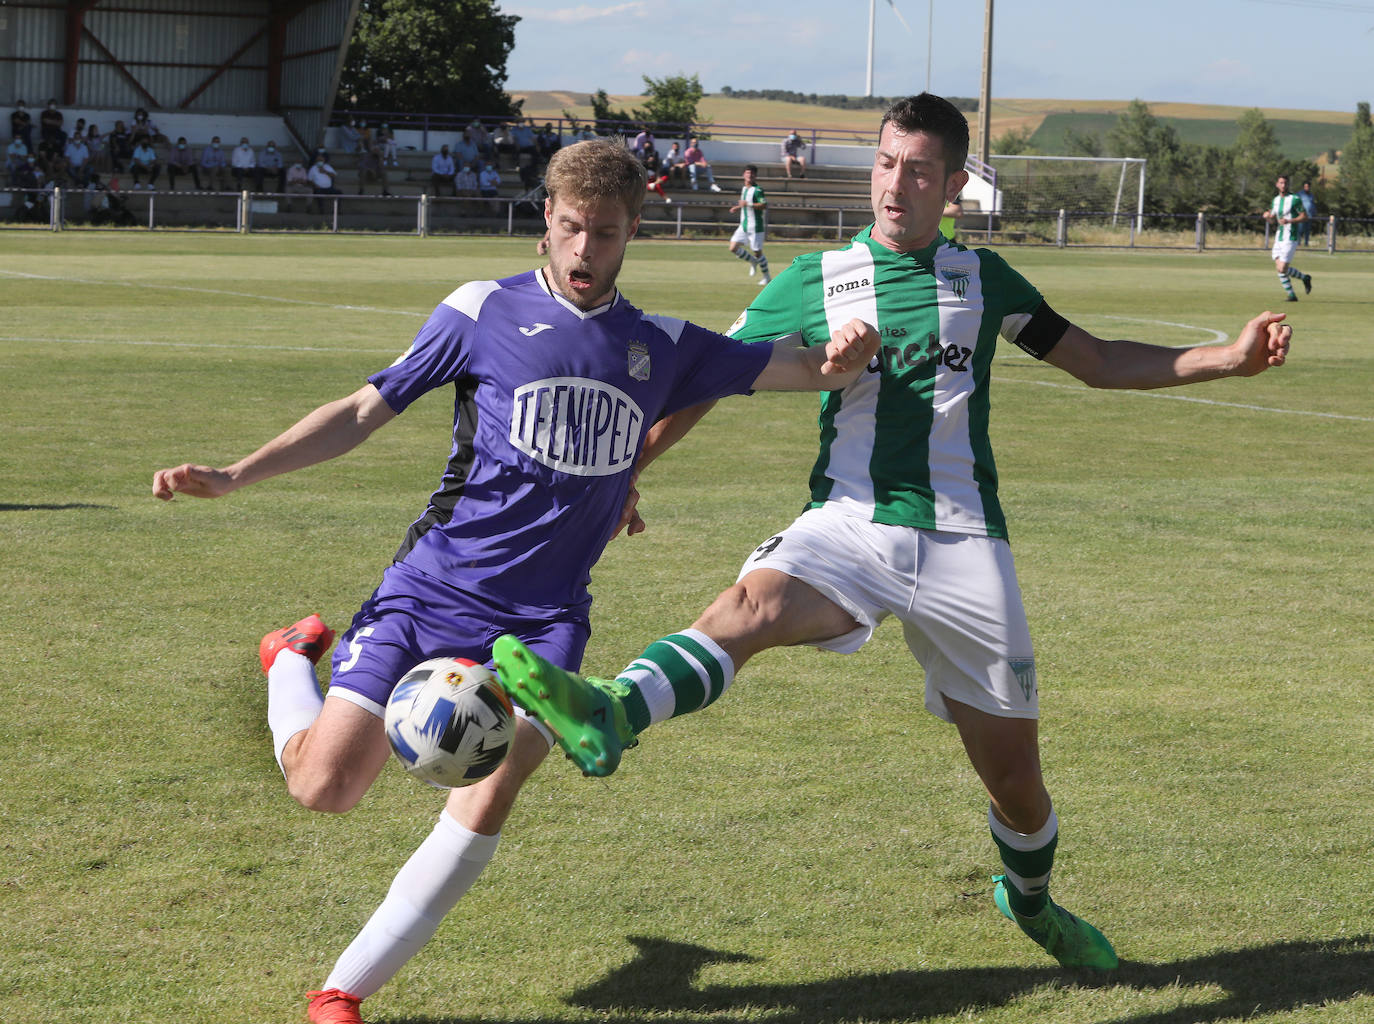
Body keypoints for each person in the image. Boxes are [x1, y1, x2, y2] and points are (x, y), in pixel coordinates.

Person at [491, 93, 1293, 976]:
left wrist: (1229, 358)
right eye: (884, 163)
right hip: (849, 524)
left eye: (916, 169)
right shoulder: (813, 279)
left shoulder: (989, 281)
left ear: (952, 184)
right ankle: (612, 710)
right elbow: (705, 379)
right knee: (748, 606)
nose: (894, 184)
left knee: (1018, 789)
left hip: (964, 545)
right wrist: (631, 472)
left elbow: (1097, 362)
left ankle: (1031, 902)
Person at [149, 137, 880, 1024]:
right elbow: (358, 412)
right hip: (432, 590)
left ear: (631, 233)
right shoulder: (479, 311)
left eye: (604, 234)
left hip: (542, 625)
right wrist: (235, 474)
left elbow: (805, 369)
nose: (584, 251)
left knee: (491, 783)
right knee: (325, 787)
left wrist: (847, 351)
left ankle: (342, 991)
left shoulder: (664, 346)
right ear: (546, 219)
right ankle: (287, 664)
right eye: (571, 228)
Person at [1262, 173, 1311, 302]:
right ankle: (1292, 294)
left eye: (1285, 183)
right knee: (1279, 268)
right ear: (1277, 184)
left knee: (1283, 268)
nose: (1283, 185)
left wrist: (1290, 221)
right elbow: (1273, 220)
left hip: (1291, 236)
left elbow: (1304, 216)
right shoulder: (1276, 200)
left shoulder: (1294, 199)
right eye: (1281, 183)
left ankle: (1303, 279)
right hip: (1279, 237)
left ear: (1288, 184)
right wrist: (1267, 217)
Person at [727, 163, 769, 283]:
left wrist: (747, 204)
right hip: (744, 224)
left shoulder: (758, 190)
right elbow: (745, 204)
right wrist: (738, 207)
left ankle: (767, 277)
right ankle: (752, 261)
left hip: (755, 226)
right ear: (743, 175)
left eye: (752, 173)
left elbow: (763, 205)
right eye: (747, 173)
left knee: (758, 252)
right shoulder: (744, 189)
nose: (749, 175)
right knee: (733, 247)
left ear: (755, 176)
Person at [1297, 180, 1316, 246]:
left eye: (1308, 186)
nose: (1306, 188)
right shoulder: (1300, 194)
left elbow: (1313, 204)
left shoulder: (1311, 195)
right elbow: (1296, 204)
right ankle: (1298, 243)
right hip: (1301, 215)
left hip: (1309, 216)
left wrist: (1314, 213)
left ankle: (1306, 243)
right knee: (1300, 229)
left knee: (1307, 230)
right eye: (1305, 186)